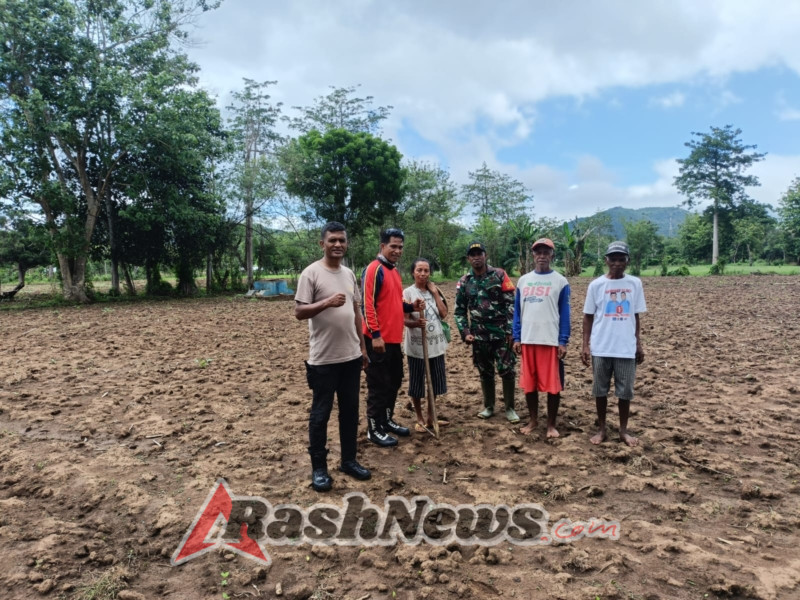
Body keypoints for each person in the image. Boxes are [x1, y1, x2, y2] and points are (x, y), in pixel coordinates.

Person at [294, 222, 371, 492]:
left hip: (350, 356)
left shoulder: (350, 274)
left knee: (350, 412)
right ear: (322, 244)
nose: (337, 245)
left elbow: (356, 314)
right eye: (332, 240)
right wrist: (326, 302)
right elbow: (299, 312)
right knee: (320, 414)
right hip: (323, 360)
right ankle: (319, 468)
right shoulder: (310, 274)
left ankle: (348, 460)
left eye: (342, 240)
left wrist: (362, 349)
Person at [362, 228, 425, 447]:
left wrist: (411, 306)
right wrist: (376, 335)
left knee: (394, 381)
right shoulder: (374, 269)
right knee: (378, 385)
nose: (397, 250)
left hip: (393, 339)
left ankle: (386, 420)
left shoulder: (394, 271)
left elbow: (394, 302)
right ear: (382, 246)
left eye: (400, 247)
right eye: (393, 246)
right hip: (377, 340)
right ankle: (373, 428)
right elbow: (367, 304)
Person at [581, 241, 647, 447]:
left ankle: (623, 430)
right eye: (613, 259)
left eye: (621, 259)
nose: (617, 263)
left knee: (624, 392)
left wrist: (638, 343)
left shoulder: (634, 284)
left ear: (627, 261)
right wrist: (585, 345)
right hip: (601, 346)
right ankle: (601, 429)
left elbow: (635, 316)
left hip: (626, 348)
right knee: (600, 390)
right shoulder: (596, 285)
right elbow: (588, 317)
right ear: (606, 261)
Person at [455, 242, 519, 422]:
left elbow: (511, 304)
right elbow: (459, 311)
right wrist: (465, 331)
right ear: (468, 258)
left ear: (485, 255)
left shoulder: (499, 275)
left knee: (507, 370)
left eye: (479, 253)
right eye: (472, 254)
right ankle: (489, 406)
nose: (476, 257)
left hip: (501, 335)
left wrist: (509, 330)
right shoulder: (464, 281)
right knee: (485, 372)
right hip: (478, 336)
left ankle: (510, 408)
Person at [512, 238, 570, 438]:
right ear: (533, 255)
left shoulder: (560, 281)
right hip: (528, 340)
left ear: (552, 255)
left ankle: (551, 424)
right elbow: (517, 312)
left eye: (546, 252)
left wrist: (563, 340)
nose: (542, 256)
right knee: (530, 383)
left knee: (553, 385)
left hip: (550, 341)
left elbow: (565, 313)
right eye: (539, 252)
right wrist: (516, 337)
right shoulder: (523, 281)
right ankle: (533, 420)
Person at [403, 257, 451, 432]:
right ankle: (420, 418)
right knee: (417, 383)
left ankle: (431, 416)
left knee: (436, 381)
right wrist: (416, 324)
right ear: (413, 273)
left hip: (436, 344)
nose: (423, 274)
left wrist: (436, 293)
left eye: (426, 271)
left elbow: (444, 314)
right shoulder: (408, 293)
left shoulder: (434, 290)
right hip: (417, 346)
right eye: (419, 270)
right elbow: (404, 319)